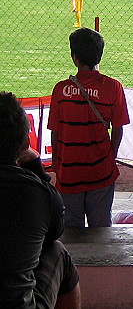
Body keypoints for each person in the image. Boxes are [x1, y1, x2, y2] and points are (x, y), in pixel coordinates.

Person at [0, 92, 82, 308]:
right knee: (58, 252)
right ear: (26, 142)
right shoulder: (37, 193)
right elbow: (52, 233)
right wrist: (35, 166)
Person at [48, 28, 130, 228]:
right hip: (101, 170)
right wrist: (110, 156)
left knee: (70, 231)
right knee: (101, 228)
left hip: (68, 172)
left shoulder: (60, 90)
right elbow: (118, 129)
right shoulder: (113, 87)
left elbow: (55, 132)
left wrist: (57, 164)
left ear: (74, 58)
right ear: (99, 55)